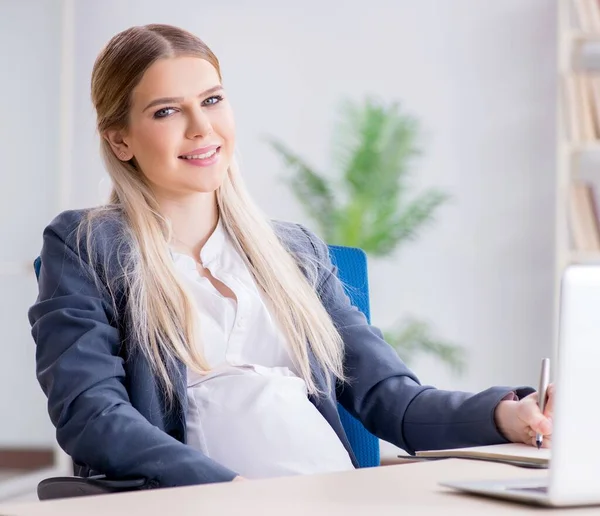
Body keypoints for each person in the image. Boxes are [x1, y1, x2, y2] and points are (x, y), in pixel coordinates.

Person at [28, 24, 553, 489]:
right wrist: (227, 489)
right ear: (120, 139)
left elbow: (392, 399)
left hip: (336, 495)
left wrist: (509, 416)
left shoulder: (292, 252)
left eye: (212, 100)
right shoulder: (84, 243)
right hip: (207, 501)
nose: (201, 128)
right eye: (167, 111)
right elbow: (90, 413)